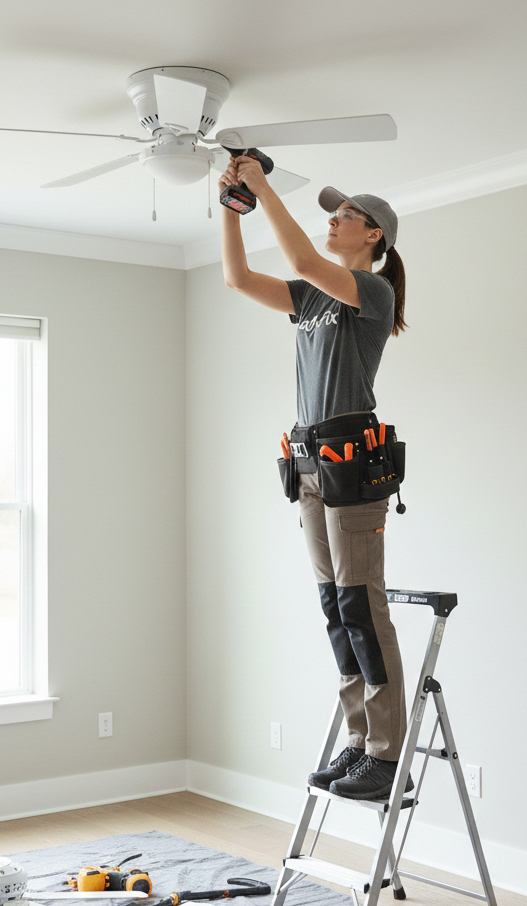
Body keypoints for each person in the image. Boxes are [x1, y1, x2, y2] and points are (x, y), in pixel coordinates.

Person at [219, 154, 410, 801]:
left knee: (361, 603)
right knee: (334, 606)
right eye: (331, 214)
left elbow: (301, 261)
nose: (334, 220)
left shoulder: (372, 292)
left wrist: (262, 185)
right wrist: (231, 209)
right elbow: (237, 277)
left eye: (345, 215)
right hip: (309, 463)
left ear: (374, 234)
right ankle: (357, 742)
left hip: (353, 461)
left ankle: (387, 756)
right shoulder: (308, 299)